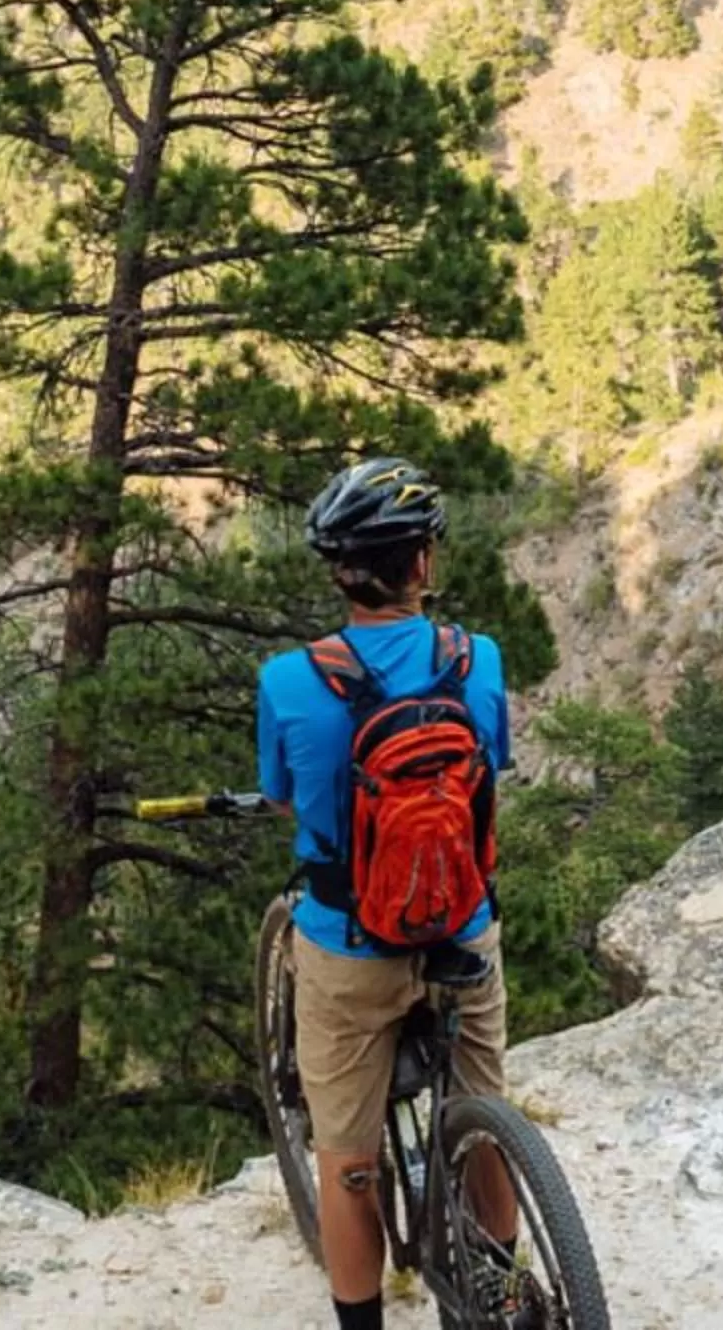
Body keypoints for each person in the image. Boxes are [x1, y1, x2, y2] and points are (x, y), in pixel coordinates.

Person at [256, 457, 523, 1330]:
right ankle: (503, 1292)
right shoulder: (477, 660)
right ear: (422, 565)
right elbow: (493, 769)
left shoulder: (289, 682)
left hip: (347, 947)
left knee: (347, 1158)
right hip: (461, 933)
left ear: (341, 570)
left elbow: (287, 795)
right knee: (485, 1124)